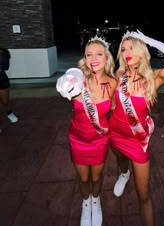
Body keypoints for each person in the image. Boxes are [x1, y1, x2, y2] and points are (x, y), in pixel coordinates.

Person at [108, 30, 164, 226]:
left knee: (143, 194)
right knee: (119, 158)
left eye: (132, 48)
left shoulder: (153, 78)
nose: (127, 52)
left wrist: (148, 39)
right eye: (124, 48)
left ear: (141, 51)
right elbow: (110, 105)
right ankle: (123, 173)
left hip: (137, 143)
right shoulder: (118, 76)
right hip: (115, 133)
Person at [56, 36, 117, 226]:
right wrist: (65, 84)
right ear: (84, 58)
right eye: (89, 54)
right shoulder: (76, 79)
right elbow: (62, 87)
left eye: (99, 53)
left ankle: (96, 201)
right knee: (83, 178)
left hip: (99, 140)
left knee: (97, 176)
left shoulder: (113, 83)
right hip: (78, 139)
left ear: (107, 58)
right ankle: (86, 203)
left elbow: (115, 110)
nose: (93, 58)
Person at [0, 47, 18, 134]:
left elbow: (6, 67)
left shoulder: (3, 51)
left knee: (5, 101)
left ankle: (10, 113)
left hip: (1, 79)